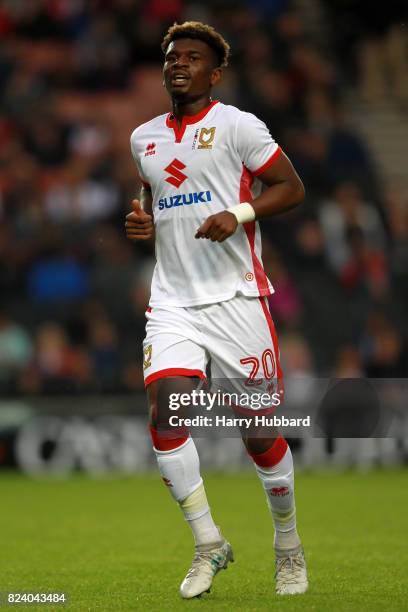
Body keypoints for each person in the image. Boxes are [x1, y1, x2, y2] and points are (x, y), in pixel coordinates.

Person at [126, 21, 308, 599]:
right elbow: (155, 201)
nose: (179, 64)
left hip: (236, 299)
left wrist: (242, 213)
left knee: (259, 432)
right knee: (165, 409)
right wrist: (144, 223)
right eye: (172, 57)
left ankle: (288, 548)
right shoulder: (143, 139)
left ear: (216, 72)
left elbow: (291, 186)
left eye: (193, 57)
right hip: (173, 301)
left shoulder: (238, 126)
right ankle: (208, 542)